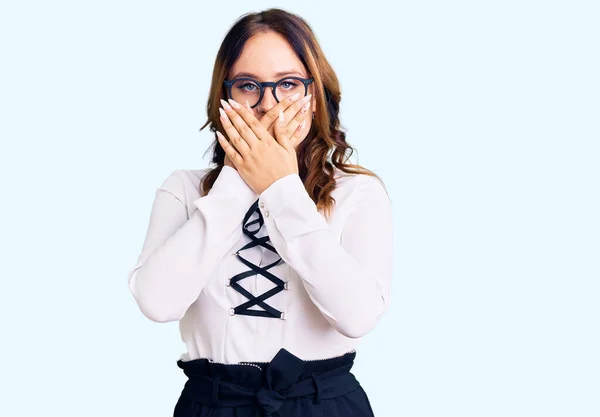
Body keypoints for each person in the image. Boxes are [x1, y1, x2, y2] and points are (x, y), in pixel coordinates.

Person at [127, 7, 394, 417]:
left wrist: (281, 188)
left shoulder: (357, 192)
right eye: (249, 85)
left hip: (323, 404)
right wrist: (237, 181)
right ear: (225, 97)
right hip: (213, 403)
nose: (268, 104)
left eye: (288, 84)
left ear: (315, 92)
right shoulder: (183, 189)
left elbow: (357, 316)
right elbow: (157, 303)